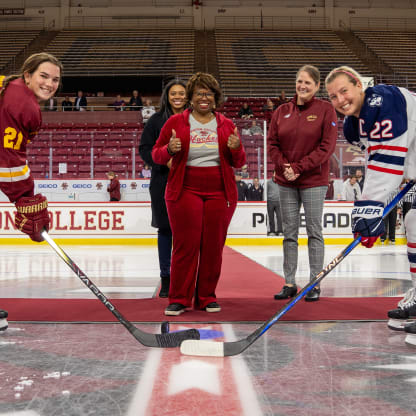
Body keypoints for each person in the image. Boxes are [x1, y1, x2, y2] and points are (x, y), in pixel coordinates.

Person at [325, 65, 416, 339]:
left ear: (358, 85)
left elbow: (388, 160)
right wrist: (368, 210)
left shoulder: (383, 100)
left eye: (344, 90)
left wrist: (369, 209)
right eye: (333, 96)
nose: (340, 100)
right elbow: (377, 160)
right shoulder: (353, 125)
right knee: (413, 223)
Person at [152, 72, 246, 316]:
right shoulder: (175, 123)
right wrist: (168, 149)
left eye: (209, 93)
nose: (204, 98)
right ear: (191, 98)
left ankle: (206, 297)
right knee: (186, 245)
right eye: (199, 93)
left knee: (213, 247)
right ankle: (178, 298)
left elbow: (239, 161)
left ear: (216, 98)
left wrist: (236, 149)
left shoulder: (227, 124)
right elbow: (156, 154)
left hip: (219, 190)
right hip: (185, 188)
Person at [0, 52, 63, 332]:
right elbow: (8, 159)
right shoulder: (24, 105)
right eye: (44, 76)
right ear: (27, 75)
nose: (50, 84)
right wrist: (25, 198)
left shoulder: (12, 88)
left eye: (56, 80)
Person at [268, 64, 337, 302]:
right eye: (299, 81)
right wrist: (284, 167)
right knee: (289, 233)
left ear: (317, 86)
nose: (302, 86)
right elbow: (272, 145)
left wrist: (298, 168)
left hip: (314, 181)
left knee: (314, 231)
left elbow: (326, 148)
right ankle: (289, 282)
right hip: (286, 181)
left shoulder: (326, 110)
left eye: (308, 82)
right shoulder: (281, 111)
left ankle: (314, 283)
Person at [139, 79, 188, 298]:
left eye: (182, 93)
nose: (177, 97)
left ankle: (186, 278)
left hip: (190, 182)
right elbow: (145, 149)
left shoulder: (196, 120)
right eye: (173, 93)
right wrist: (163, 160)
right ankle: (166, 278)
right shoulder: (156, 121)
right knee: (165, 230)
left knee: (189, 233)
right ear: (166, 97)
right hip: (161, 183)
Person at [267, 171, 283, 236]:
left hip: (278, 201)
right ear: (273, 174)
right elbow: (266, 192)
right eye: (275, 173)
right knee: (271, 217)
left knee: (279, 217)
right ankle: (272, 231)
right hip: (270, 201)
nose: (275, 174)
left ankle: (280, 231)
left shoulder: (280, 182)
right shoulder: (268, 183)